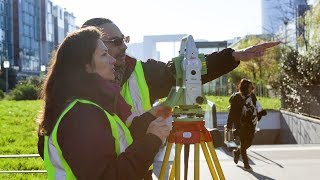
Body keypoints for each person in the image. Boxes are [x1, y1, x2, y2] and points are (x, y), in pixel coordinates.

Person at [81, 18, 279, 177]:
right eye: (115, 42)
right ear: (92, 49)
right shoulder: (74, 97)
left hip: (139, 171)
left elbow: (184, 70)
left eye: (124, 39)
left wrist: (233, 56)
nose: (124, 46)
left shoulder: (140, 71)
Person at [37, 27, 172, 179]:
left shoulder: (88, 107)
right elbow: (107, 175)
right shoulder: (81, 116)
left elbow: (113, 144)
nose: (112, 60)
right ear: (85, 66)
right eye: (104, 54)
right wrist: (151, 141)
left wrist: (149, 119)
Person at [226, 79, 267, 171]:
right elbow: (232, 113)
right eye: (250, 87)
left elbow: (256, 106)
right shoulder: (236, 97)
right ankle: (246, 164)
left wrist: (261, 112)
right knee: (244, 143)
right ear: (245, 87)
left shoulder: (252, 96)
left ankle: (237, 152)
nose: (252, 88)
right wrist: (229, 126)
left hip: (250, 123)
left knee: (249, 143)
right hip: (240, 124)